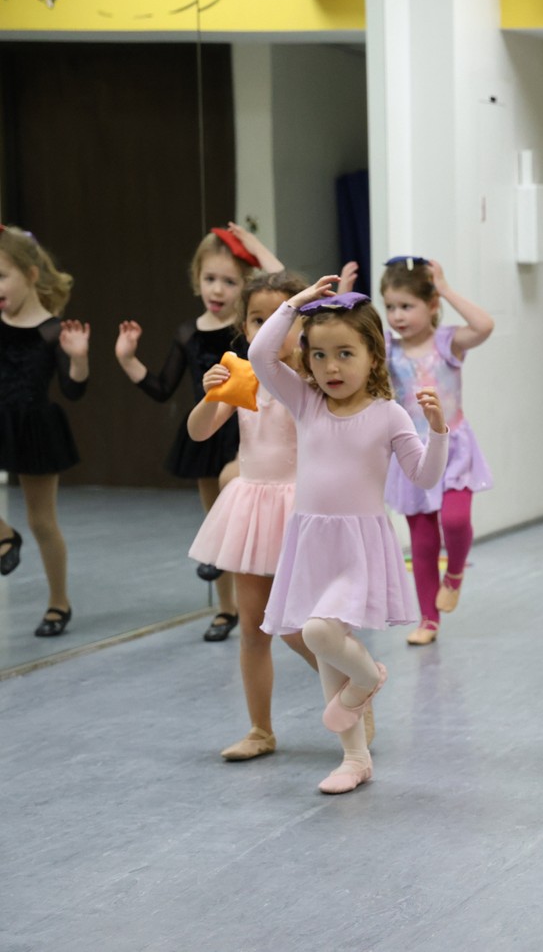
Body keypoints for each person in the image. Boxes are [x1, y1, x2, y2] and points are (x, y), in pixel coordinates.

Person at [248, 277, 448, 794]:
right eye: (318, 356)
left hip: (358, 547)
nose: (331, 368)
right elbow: (261, 353)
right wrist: (297, 304)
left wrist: (438, 432)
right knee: (329, 649)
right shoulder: (306, 402)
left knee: (318, 633)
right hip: (312, 542)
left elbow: (424, 477)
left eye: (344, 354)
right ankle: (354, 759)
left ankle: (369, 678)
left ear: (374, 356)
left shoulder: (388, 415)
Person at [115, 223, 284, 642]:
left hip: (247, 432)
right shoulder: (188, 332)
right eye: (210, 278)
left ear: (246, 286)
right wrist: (127, 360)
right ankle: (226, 609)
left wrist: (255, 247)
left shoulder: (251, 329)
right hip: (209, 429)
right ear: (197, 279)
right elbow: (160, 388)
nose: (218, 289)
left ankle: (265, 597)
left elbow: (283, 290)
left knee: (234, 488)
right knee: (218, 523)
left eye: (230, 281)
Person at [187, 271, 326, 761]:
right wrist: (210, 395)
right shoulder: (242, 375)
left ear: (302, 323)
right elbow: (200, 432)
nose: (270, 328)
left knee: (298, 626)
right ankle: (260, 729)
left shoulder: (311, 378)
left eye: (282, 318)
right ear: (244, 328)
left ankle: (352, 686)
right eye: (258, 320)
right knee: (253, 625)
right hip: (252, 507)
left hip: (300, 507)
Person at [378, 256, 495, 645]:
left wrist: (445, 288)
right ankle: (429, 619)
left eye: (406, 306)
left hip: (453, 446)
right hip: (412, 452)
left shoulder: (448, 342)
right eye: (390, 306)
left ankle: (455, 574)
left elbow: (485, 325)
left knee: (456, 520)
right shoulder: (389, 351)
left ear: (430, 306)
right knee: (423, 541)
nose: (397, 315)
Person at [0, 224, 89, 637]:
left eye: (2, 276)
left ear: (31, 275)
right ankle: (5, 535)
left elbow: (73, 390)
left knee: (42, 521)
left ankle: (59, 601)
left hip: (34, 424)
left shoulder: (52, 330)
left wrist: (78, 359)